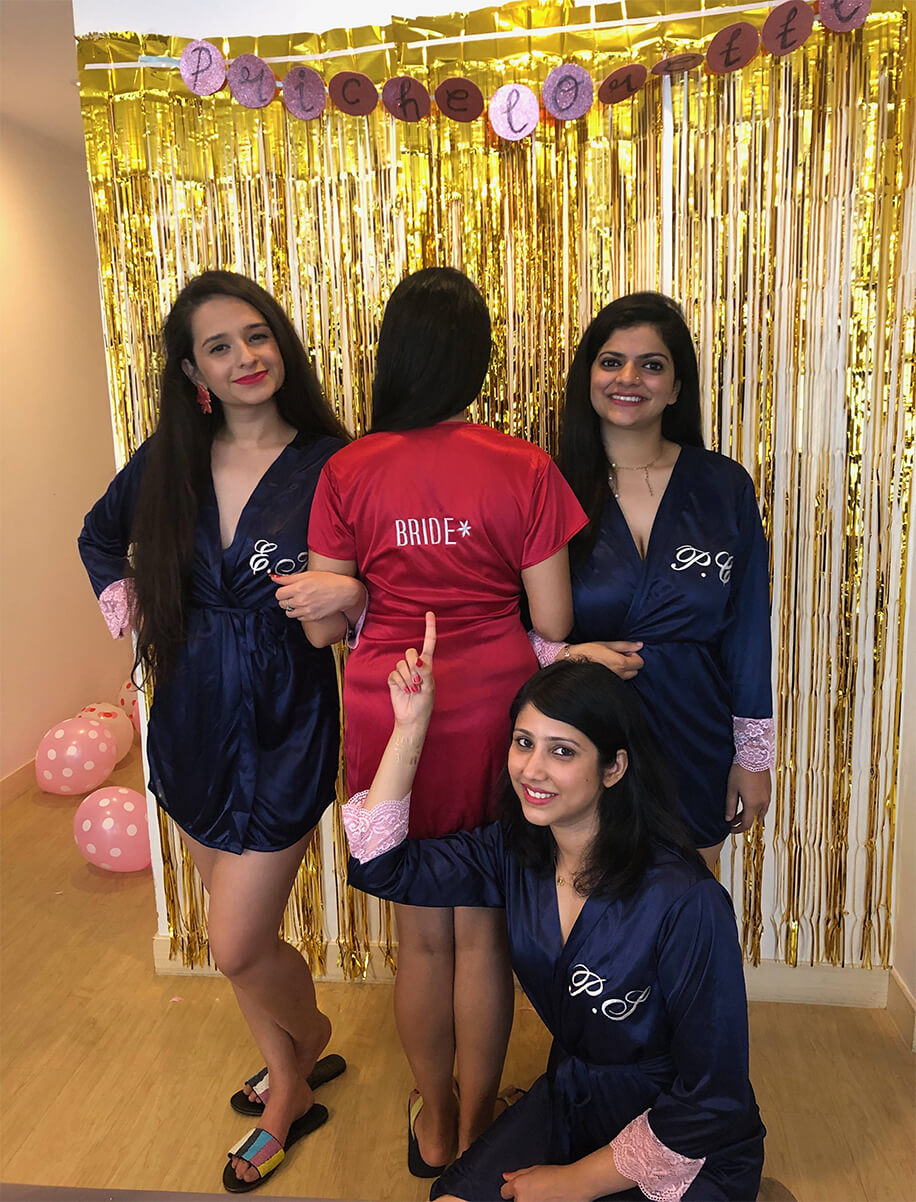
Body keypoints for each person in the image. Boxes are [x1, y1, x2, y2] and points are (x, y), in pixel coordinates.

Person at [78, 271, 364, 1194]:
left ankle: (307, 1040)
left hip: (286, 721)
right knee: (235, 932)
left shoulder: (332, 462)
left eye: (257, 335)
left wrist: (350, 591)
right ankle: (290, 1084)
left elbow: (385, 581)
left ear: (280, 343)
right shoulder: (171, 458)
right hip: (190, 716)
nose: (245, 357)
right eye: (219, 346)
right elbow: (97, 536)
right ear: (193, 371)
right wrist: (136, 611)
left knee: (237, 942)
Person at [304, 267, 586, 1174]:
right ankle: (476, 1131)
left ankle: (432, 1126)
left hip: (393, 705)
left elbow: (321, 625)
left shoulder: (347, 469)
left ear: (393, 353)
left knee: (421, 934)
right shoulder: (524, 466)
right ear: (476, 360)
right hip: (495, 709)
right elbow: (553, 620)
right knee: (482, 929)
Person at [344, 613, 765, 1202]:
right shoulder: (513, 853)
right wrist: (411, 727)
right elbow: (377, 863)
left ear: (614, 767)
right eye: (523, 743)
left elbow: (713, 1098)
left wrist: (574, 1182)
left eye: (562, 751)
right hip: (573, 1097)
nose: (532, 770)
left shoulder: (687, 902)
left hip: (684, 1137)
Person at [549, 292, 774, 867]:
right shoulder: (545, 484)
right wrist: (564, 658)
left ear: (676, 388)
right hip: (582, 735)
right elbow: (501, 619)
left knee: (688, 903)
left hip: (694, 734)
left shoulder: (724, 486)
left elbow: (748, 630)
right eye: (611, 361)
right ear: (588, 377)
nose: (629, 378)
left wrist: (753, 756)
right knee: (584, 905)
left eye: (651, 365)